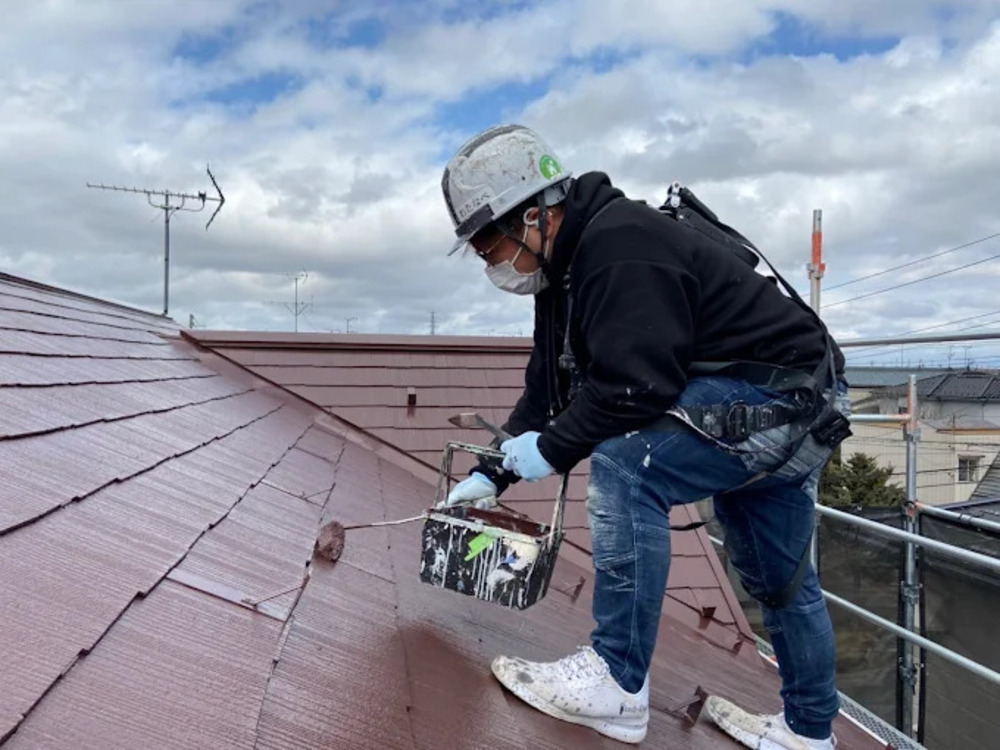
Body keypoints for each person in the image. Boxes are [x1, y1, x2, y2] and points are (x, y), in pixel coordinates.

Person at [440, 124, 850, 748]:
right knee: (780, 579)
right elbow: (547, 391)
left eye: (487, 244)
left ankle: (616, 682)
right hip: (792, 405)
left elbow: (635, 388)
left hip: (779, 399)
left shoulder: (620, 245)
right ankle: (809, 734)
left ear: (533, 216)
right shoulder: (564, 274)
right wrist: (491, 472)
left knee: (627, 468)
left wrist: (548, 451)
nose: (488, 262)